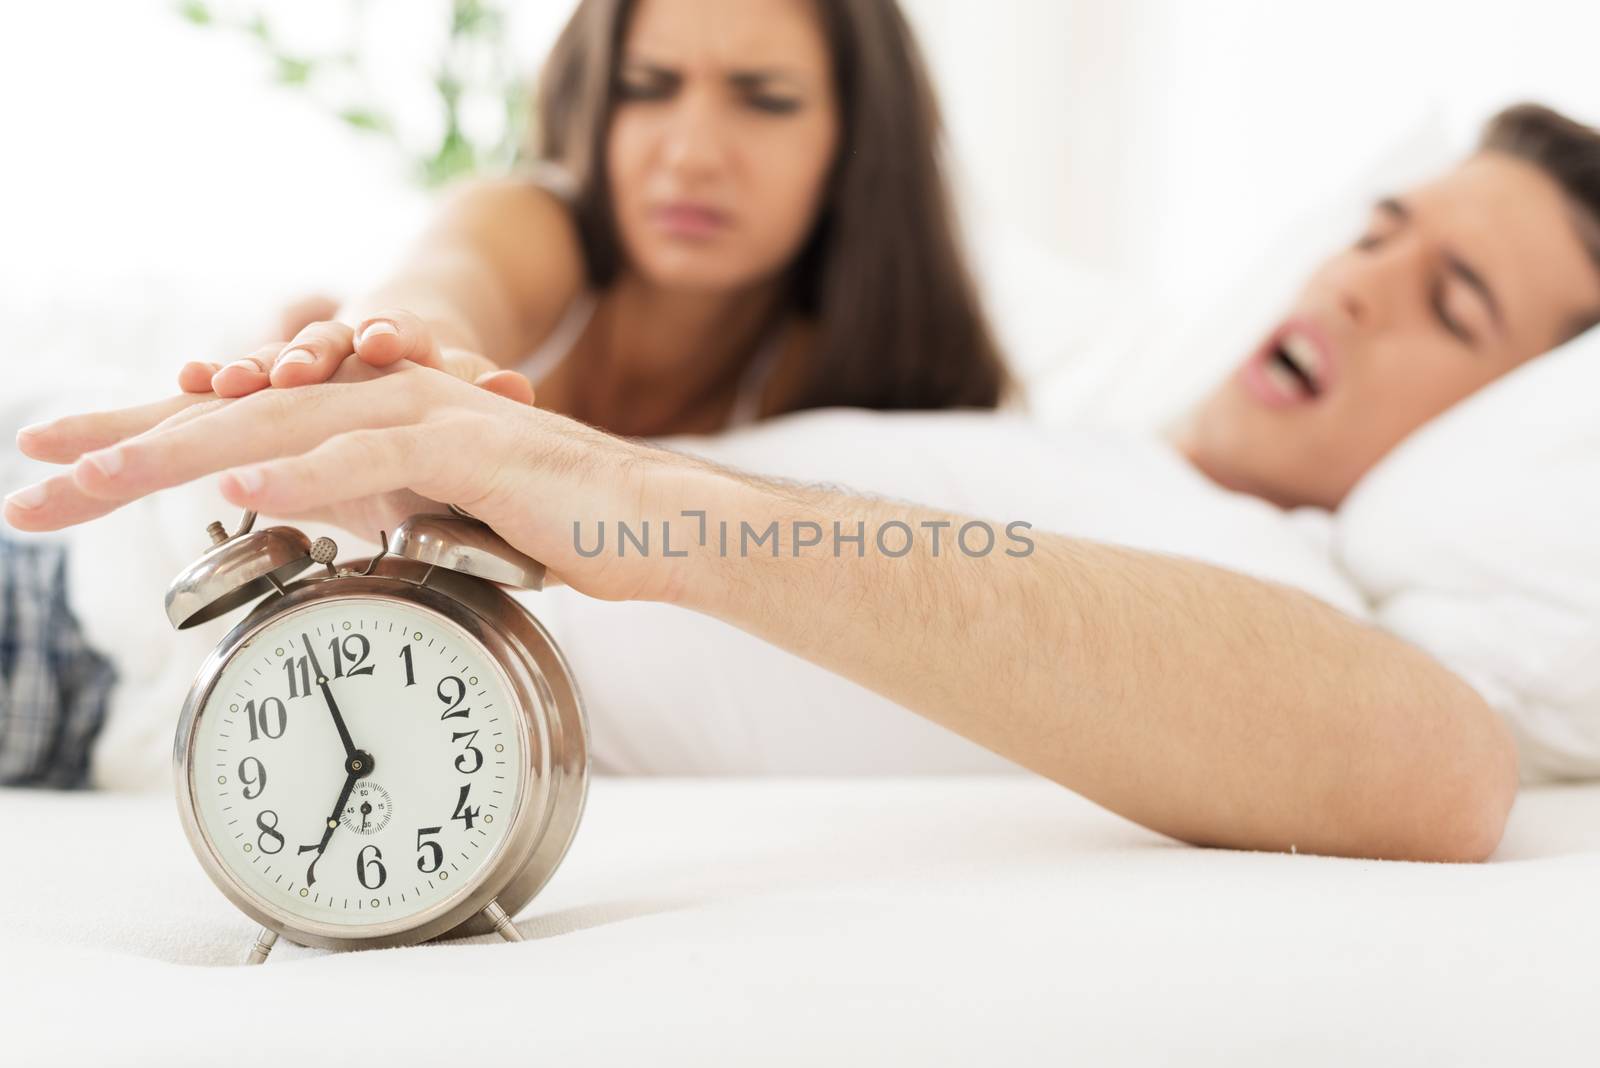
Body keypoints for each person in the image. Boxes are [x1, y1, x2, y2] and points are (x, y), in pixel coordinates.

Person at [10, 103, 1600, 864]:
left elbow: (1439, 769)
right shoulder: (1070, 427)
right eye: (1382, 228)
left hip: (113, 655)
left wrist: (596, 485)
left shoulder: (1286, 601)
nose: (1363, 284)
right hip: (118, 505)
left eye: (1455, 302)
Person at [181, 0, 1009, 438]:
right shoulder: (536, 228)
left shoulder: (866, 383)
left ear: (858, 141)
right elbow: (445, 285)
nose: (690, 153)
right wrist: (381, 346)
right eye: (644, 88)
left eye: (766, 100)